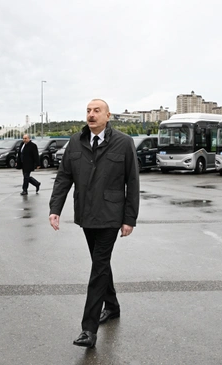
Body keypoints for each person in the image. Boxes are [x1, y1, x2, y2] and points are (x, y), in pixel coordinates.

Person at [49, 99, 140, 348]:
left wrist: (129, 219)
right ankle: (112, 306)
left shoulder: (123, 143)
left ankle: (88, 330)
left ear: (108, 116)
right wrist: (55, 209)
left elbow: (132, 182)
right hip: (87, 214)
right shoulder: (76, 142)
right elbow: (63, 177)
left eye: (96, 111)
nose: (91, 115)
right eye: (88, 111)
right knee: (100, 264)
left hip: (111, 215)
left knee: (98, 267)